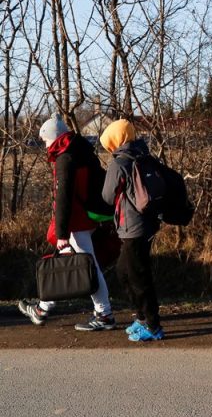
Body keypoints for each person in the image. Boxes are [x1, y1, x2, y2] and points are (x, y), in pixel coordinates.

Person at [18, 114, 116, 331]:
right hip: (88, 216)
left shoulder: (65, 159)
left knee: (88, 267)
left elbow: (62, 198)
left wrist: (62, 232)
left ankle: (105, 314)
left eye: (45, 140)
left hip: (77, 220)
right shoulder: (82, 151)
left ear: (53, 137)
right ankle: (42, 308)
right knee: (68, 262)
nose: (45, 145)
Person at [100, 119, 164, 342]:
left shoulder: (119, 162)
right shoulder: (143, 153)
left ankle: (153, 325)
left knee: (137, 276)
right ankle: (142, 317)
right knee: (125, 271)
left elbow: (107, 197)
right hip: (147, 223)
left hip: (132, 227)